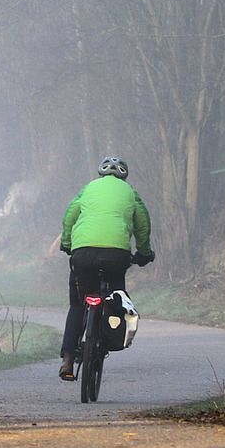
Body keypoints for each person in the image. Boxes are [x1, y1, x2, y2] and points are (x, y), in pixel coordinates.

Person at [57, 156, 154, 380]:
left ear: (101, 174)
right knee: (116, 298)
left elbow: (70, 215)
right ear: (124, 176)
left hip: (83, 254)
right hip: (116, 255)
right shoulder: (130, 192)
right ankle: (108, 339)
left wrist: (66, 243)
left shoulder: (89, 188)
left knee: (77, 304)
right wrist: (144, 252)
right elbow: (142, 224)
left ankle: (68, 360)